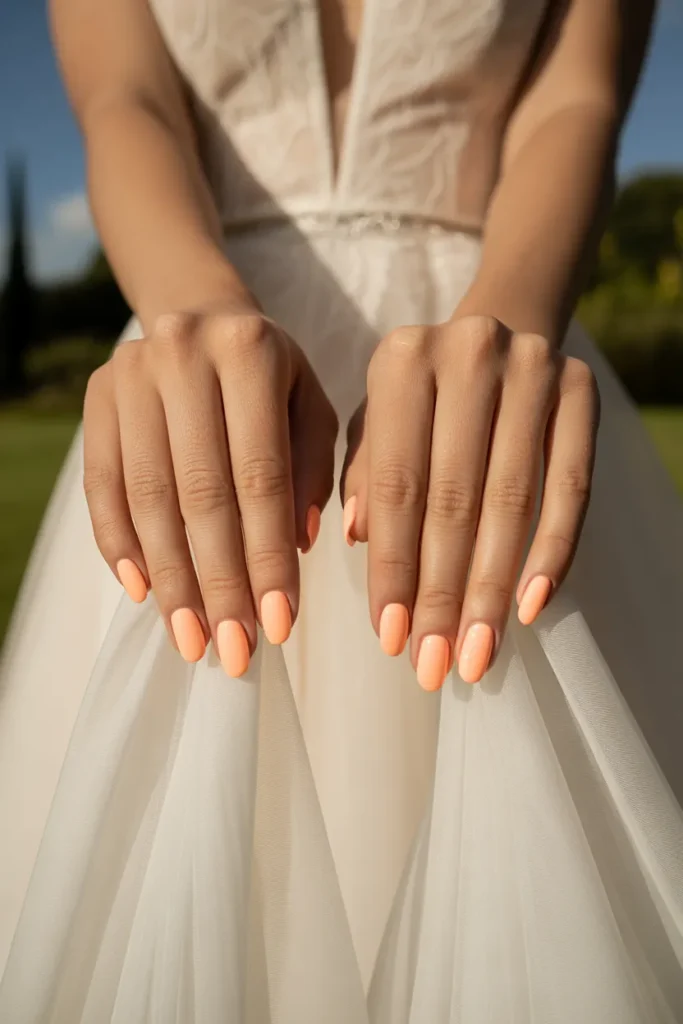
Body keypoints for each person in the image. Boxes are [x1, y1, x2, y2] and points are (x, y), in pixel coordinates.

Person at [1, 0, 682, 1019]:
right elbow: (125, 100)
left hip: (485, 362)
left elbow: (573, 99)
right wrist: (194, 312)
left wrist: (505, 317)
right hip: (204, 374)